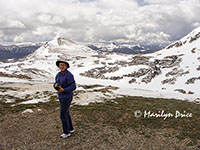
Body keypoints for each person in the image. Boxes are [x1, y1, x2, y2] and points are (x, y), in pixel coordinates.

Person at [53, 60, 76, 138]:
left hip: (67, 96)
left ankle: (66, 132)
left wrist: (64, 90)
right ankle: (70, 129)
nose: (62, 66)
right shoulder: (58, 74)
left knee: (63, 114)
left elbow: (73, 86)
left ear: (66, 66)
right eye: (60, 65)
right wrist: (55, 86)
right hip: (61, 96)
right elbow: (55, 83)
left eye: (63, 65)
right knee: (66, 112)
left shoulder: (69, 75)